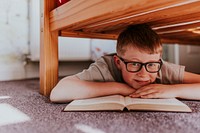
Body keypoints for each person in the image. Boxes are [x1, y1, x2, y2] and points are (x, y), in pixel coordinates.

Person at [50, 24, 200, 103]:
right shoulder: (105, 67)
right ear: (118, 62)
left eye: (151, 65)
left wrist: (173, 90)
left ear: (158, 61)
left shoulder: (159, 67)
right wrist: (121, 88)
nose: (144, 74)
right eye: (134, 64)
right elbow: (58, 93)